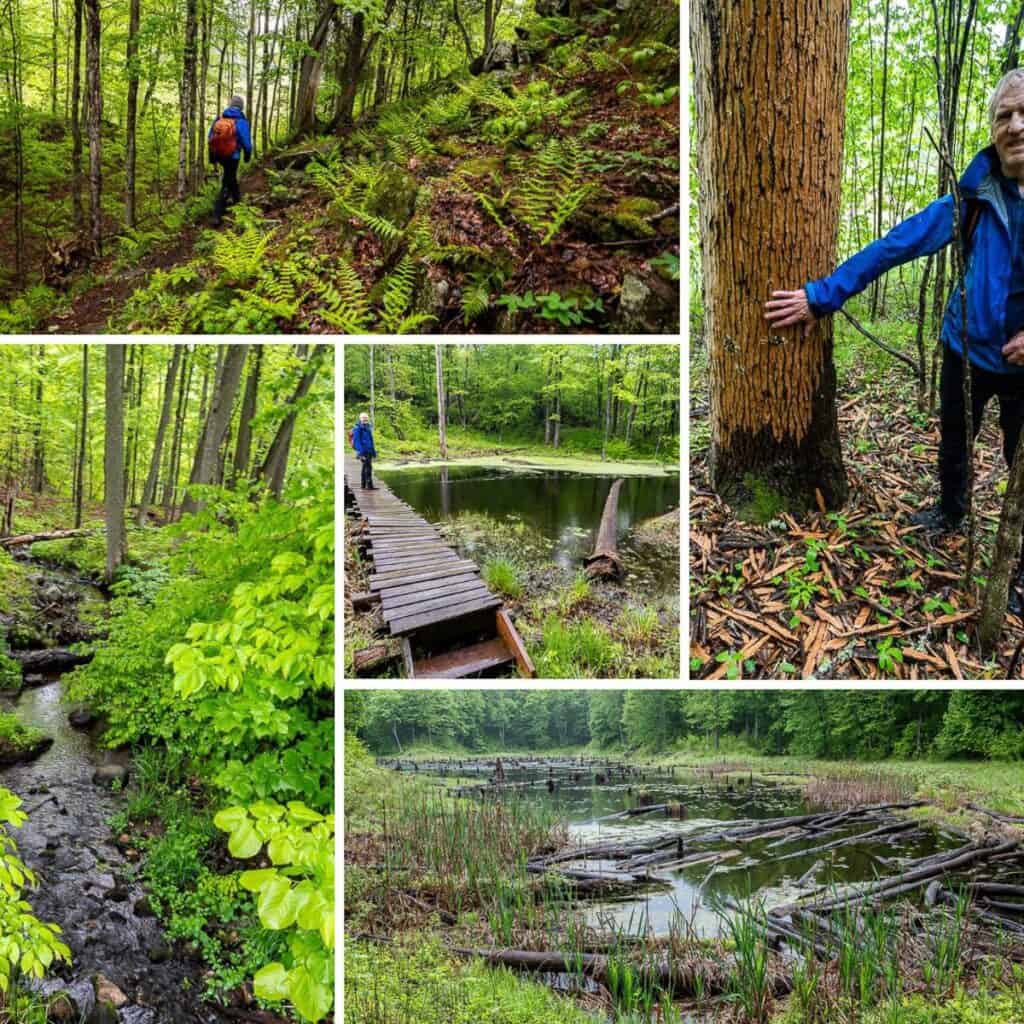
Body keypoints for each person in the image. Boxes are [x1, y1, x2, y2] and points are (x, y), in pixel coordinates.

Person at [765, 69, 1024, 614]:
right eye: (1004, 115)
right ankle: (950, 512)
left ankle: (1014, 571)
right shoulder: (972, 198)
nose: (1016, 126)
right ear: (992, 128)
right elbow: (896, 244)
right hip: (965, 351)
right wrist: (822, 295)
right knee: (955, 441)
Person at [208, 97, 253, 227]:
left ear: (230, 105)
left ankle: (237, 202)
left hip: (219, 155)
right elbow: (246, 143)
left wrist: (212, 158)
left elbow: (210, 138)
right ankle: (217, 215)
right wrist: (247, 156)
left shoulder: (219, 119)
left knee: (230, 177)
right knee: (227, 181)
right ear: (241, 107)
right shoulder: (241, 121)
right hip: (233, 156)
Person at [352, 412, 377, 489]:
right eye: (363, 418)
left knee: (365, 467)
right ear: (360, 418)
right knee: (368, 467)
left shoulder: (367, 427)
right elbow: (357, 442)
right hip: (363, 451)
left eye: (366, 418)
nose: (365, 419)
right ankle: (369, 486)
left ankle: (363, 485)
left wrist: (373, 451)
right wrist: (361, 453)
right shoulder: (357, 428)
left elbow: (371, 440)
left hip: (369, 450)